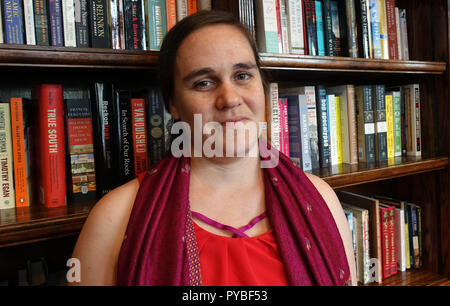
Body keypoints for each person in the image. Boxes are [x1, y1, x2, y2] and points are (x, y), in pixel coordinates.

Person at [71, 10, 357, 286]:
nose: (229, 99)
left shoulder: (321, 200)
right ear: (173, 105)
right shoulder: (114, 218)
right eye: (204, 82)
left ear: (263, 86)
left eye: (243, 75)